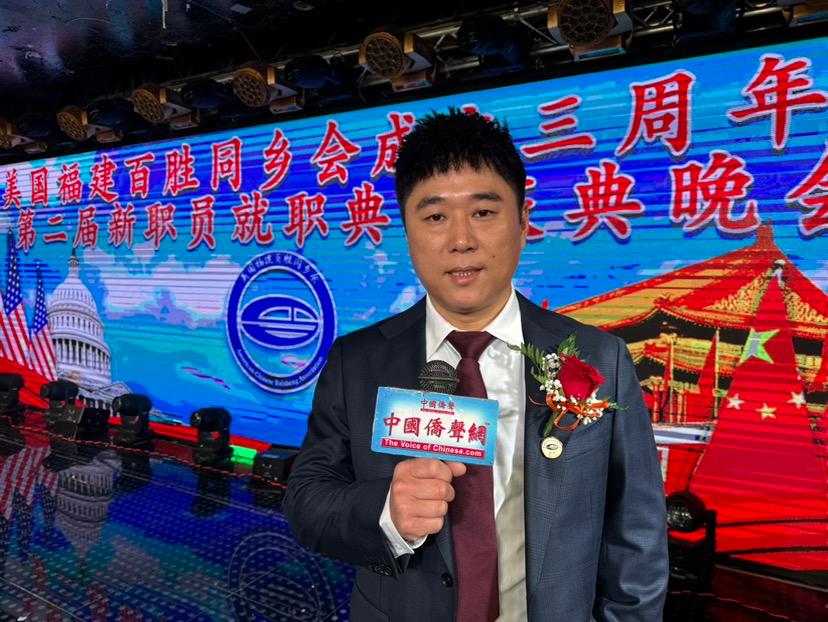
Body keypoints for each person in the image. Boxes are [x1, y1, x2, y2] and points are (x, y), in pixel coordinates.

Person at [283, 109, 668, 622]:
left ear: (523, 221)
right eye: (435, 217)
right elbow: (307, 502)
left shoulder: (600, 358)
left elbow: (637, 533)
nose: (461, 239)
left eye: (483, 212)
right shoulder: (357, 362)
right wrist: (387, 511)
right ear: (407, 231)